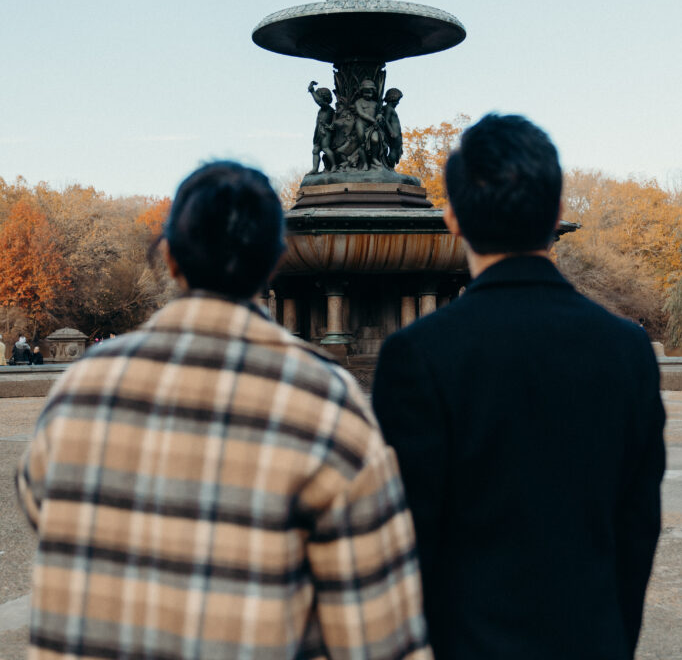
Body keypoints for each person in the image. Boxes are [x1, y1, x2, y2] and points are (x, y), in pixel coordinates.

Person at [17, 160, 431, 660]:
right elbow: (379, 634)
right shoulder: (326, 406)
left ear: (170, 257)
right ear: (275, 260)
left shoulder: (77, 391)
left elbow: (41, 504)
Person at [373, 113, 665, 660]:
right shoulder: (626, 349)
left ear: (452, 217)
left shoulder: (416, 356)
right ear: (556, 213)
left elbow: (406, 546)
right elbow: (637, 530)